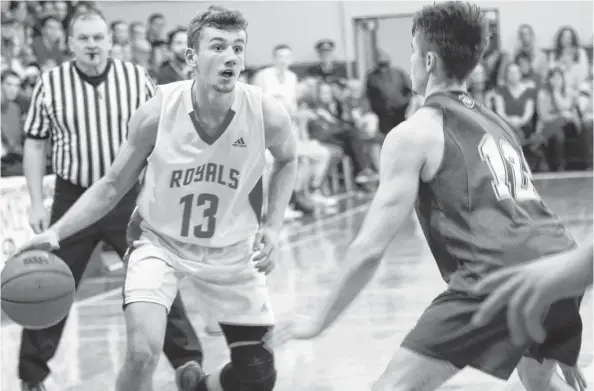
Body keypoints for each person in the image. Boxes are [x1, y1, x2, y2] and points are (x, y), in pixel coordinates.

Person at [273, 2, 585, 390]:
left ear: (429, 60)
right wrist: (560, 314)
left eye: (412, 51)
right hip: (560, 262)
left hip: (495, 276)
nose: (410, 61)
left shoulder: (415, 132)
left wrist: (317, 320)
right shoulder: (497, 122)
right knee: (539, 379)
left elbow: (370, 248)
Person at [19, 5, 297, 391]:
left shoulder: (267, 113)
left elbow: (288, 160)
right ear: (191, 58)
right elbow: (114, 184)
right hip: (160, 242)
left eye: (238, 47)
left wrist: (273, 225)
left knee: (258, 375)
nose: (231, 57)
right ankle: (33, 375)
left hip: (233, 249)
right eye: (217, 46)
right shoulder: (156, 113)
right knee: (141, 352)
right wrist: (57, 231)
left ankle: (197, 384)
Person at [18, 9, 203, 391]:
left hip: (128, 198)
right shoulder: (49, 83)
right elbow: (35, 144)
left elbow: (164, 133)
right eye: (83, 38)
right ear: (69, 44)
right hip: (73, 200)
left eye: (99, 37)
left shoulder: (135, 77)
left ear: (109, 40)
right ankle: (32, 377)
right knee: (47, 285)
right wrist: (36, 201)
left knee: (156, 276)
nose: (92, 45)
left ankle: (187, 362)